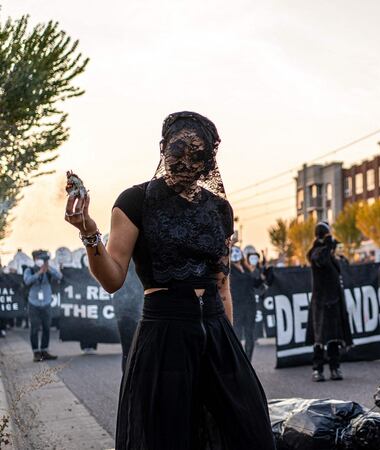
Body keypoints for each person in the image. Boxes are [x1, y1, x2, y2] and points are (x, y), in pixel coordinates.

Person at [63, 111, 275, 449]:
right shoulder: (134, 201)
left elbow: (222, 284)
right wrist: (89, 232)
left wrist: (228, 347)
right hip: (164, 334)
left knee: (247, 429)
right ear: (163, 148)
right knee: (166, 435)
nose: (187, 160)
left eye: (198, 153)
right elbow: (112, 278)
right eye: (179, 149)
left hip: (215, 330)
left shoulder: (220, 209)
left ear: (209, 161)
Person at [305, 222, 352, 382]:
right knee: (319, 338)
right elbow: (320, 261)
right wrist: (327, 244)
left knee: (334, 337)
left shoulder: (330, 255)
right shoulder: (316, 252)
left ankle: (334, 367)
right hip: (321, 302)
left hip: (334, 300)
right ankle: (317, 369)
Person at [23, 250, 60, 362]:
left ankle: (44, 350)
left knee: (46, 328)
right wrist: (39, 273)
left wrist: (48, 268)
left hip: (46, 303)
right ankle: (36, 352)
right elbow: (27, 281)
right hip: (33, 303)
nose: (42, 261)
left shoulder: (48, 270)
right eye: (40, 259)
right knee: (34, 329)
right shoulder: (29, 270)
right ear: (34, 259)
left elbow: (59, 276)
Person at [229, 245, 263, 360]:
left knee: (250, 335)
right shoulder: (229, 269)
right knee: (237, 335)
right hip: (237, 306)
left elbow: (255, 284)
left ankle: (248, 361)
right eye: (232, 252)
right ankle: (241, 362)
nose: (235, 255)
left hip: (250, 306)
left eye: (237, 252)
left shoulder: (246, 268)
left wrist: (260, 276)